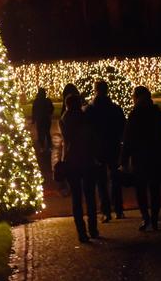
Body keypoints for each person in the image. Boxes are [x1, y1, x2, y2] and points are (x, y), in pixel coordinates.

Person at [121, 85, 161, 232]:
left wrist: (124, 160)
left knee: (141, 189)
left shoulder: (135, 114)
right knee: (155, 189)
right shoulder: (157, 113)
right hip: (155, 155)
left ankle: (146, 217)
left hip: (140, 157)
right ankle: (154, 218)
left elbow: (128, 138)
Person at [60, 93, 99, 242]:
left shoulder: (64, 119)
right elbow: (92, 138)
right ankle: (93, 228)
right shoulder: (85, 118)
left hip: (72, 161)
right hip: (87, 160)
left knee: (76, 198)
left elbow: (64, 142)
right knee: (90, 196)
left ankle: (82, 232)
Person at [85, 79, 126, 221]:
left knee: (101, 180)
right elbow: (122, 127)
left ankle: (105, 211)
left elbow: (87, 130)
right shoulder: (115, 108)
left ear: (95, 90)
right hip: (113, 145)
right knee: (115, 177)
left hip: (98, 148)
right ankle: (119, 209)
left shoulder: (90, 109)